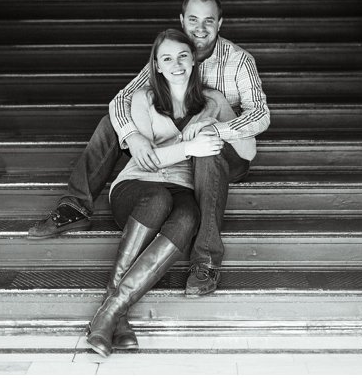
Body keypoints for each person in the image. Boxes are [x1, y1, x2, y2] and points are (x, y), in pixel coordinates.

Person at [29, 0, 270, 297]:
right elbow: (123, 100)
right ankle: (76, 205)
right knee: (112, 124)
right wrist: (133, 136)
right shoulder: (172, 54)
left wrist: (216, 129)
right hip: (176, 154)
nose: (200, 27)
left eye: (209, 20)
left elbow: (260, 114)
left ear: (220, 23)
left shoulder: (238, 62)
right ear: (182, 21)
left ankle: (206, 259)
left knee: (207, 152)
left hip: (224, 152)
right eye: (193, 19)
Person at [86, 29, 255, 357]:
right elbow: (145, 160)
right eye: (166, 58)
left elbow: (248, 151)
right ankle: (111, 311)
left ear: (193, 60)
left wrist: (215, 125)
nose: (175, 63)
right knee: (159, 199)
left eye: (182, 56)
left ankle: (110, 313)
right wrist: (191, 146)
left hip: (182, 190)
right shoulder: (144, 99)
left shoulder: (214, 101)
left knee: (190, 215)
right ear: (157, 66)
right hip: (136, 189)